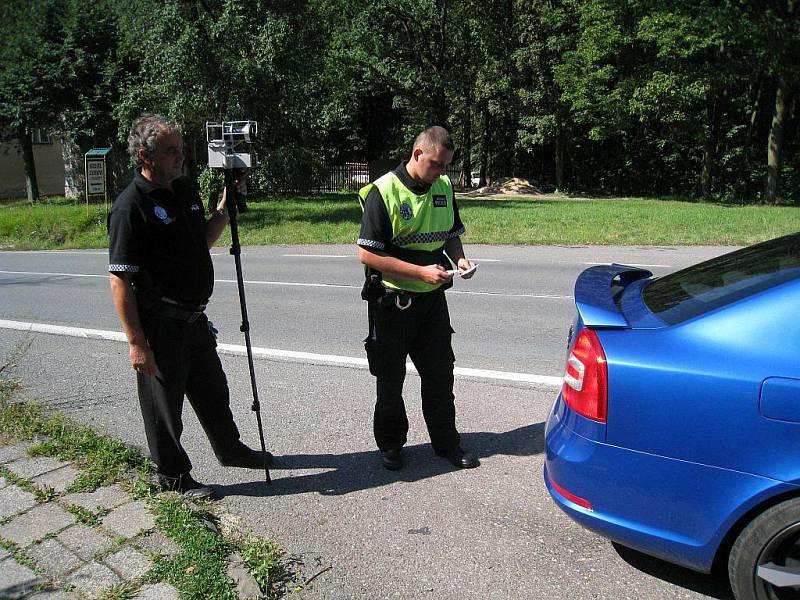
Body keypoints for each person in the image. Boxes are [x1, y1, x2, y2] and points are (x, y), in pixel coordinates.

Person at [107, 114, 272, 499]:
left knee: (214, 391)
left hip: (194, 319)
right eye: (171, 152)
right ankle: (172, 477)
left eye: (181, 149)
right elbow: (119, 280)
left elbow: (200, 242)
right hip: (160, 323)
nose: (180, 158)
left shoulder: (184, 190)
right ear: (145, 156)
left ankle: (230, 450)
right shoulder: (130, 207)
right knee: (165, 408)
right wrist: (136, 342)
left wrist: (223, 212)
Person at [357, 126, 479, 471]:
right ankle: (392, 445)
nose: (442, 172)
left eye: (446, 166)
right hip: (394, 303)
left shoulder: (443, 187)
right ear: (417, 154)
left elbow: (451, 234)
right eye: (437, 164)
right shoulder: (384, 191)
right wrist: (420, 272)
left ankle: (447, 444)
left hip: (432, 304)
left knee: (441, 377)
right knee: (391, 380)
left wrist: (461, 260)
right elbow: (367, 255)